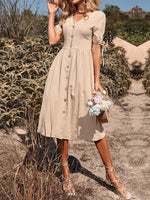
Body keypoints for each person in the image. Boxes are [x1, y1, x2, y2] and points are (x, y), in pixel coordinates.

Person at [37, 0, 131, 199]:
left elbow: (96, 49)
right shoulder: (67, 17)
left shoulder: (98, 16)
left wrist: (96, 80)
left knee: (95, 124)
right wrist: (52, 14)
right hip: (61, 71)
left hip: (83, 73)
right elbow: (53, 40)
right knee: (61, 123)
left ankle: (110, 174)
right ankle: (66, 174)